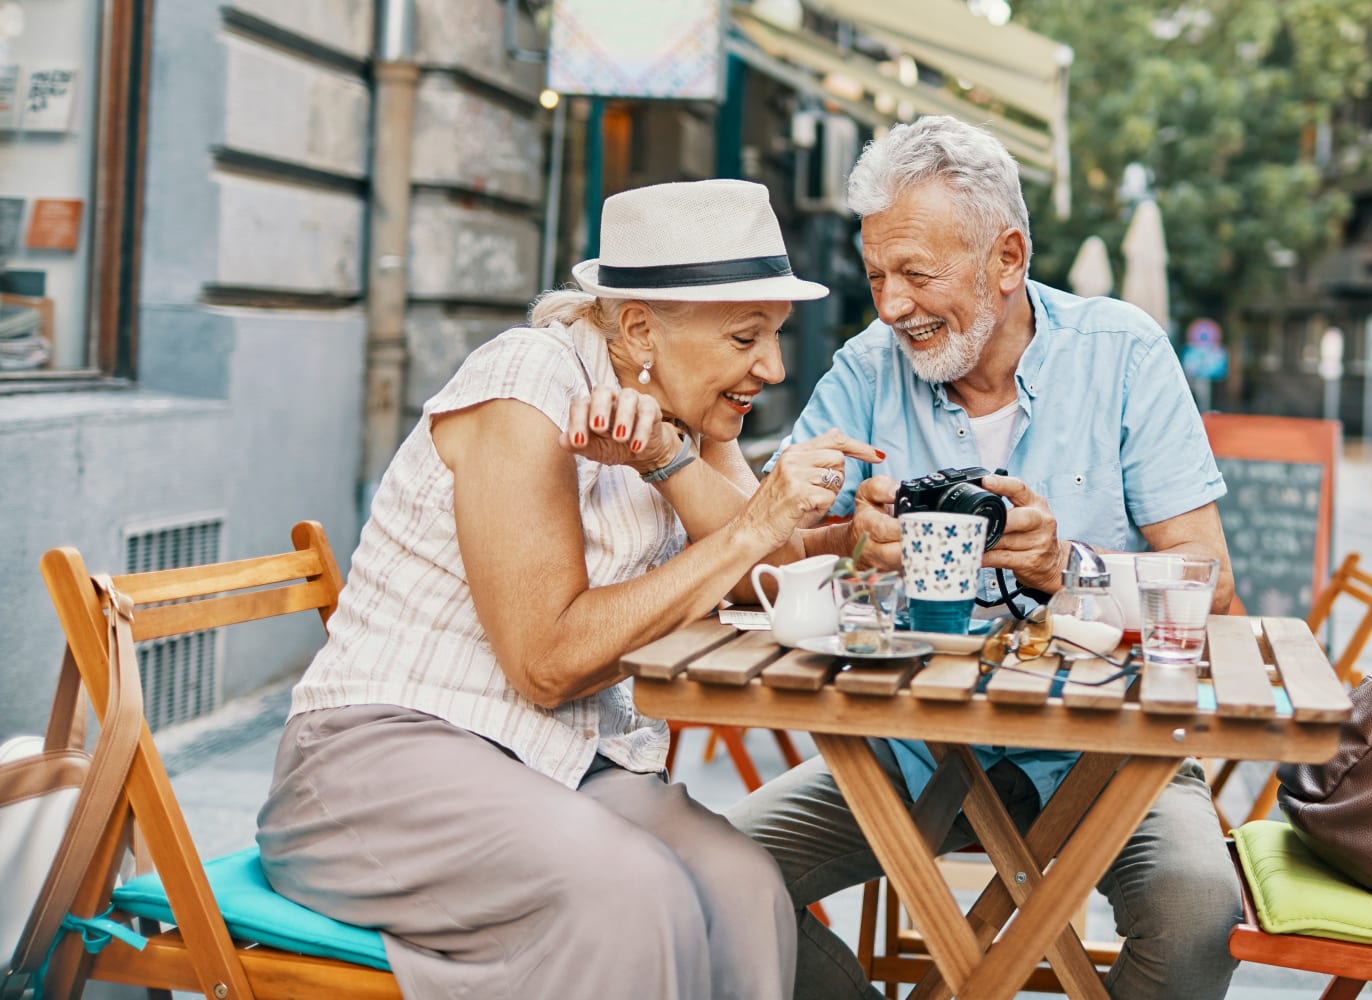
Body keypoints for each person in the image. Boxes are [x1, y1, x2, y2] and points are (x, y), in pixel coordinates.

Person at [255, 180, 879, 999]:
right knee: (633, 895)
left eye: (774, 335)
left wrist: (850, 539)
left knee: (744, 885)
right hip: (381, 760)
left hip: (558, 763)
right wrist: (755, 524)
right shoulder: (525, 382)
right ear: (638, 327)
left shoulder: (691, 413)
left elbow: (763, 581)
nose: (772, 365)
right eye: (745, 336)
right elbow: (547, 660)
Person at [726, 116, 1242, 1000]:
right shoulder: (863, 369)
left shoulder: (1123, 352)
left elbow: (1211, 584)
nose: (891, 306)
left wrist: (1061, 566)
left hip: (1111, 757)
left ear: (1006, 259)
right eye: (878, 275)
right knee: (714, 878)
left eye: (917, 275)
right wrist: (851, 544)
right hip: (908, 752)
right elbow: (752, 556)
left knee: (1199, 908)